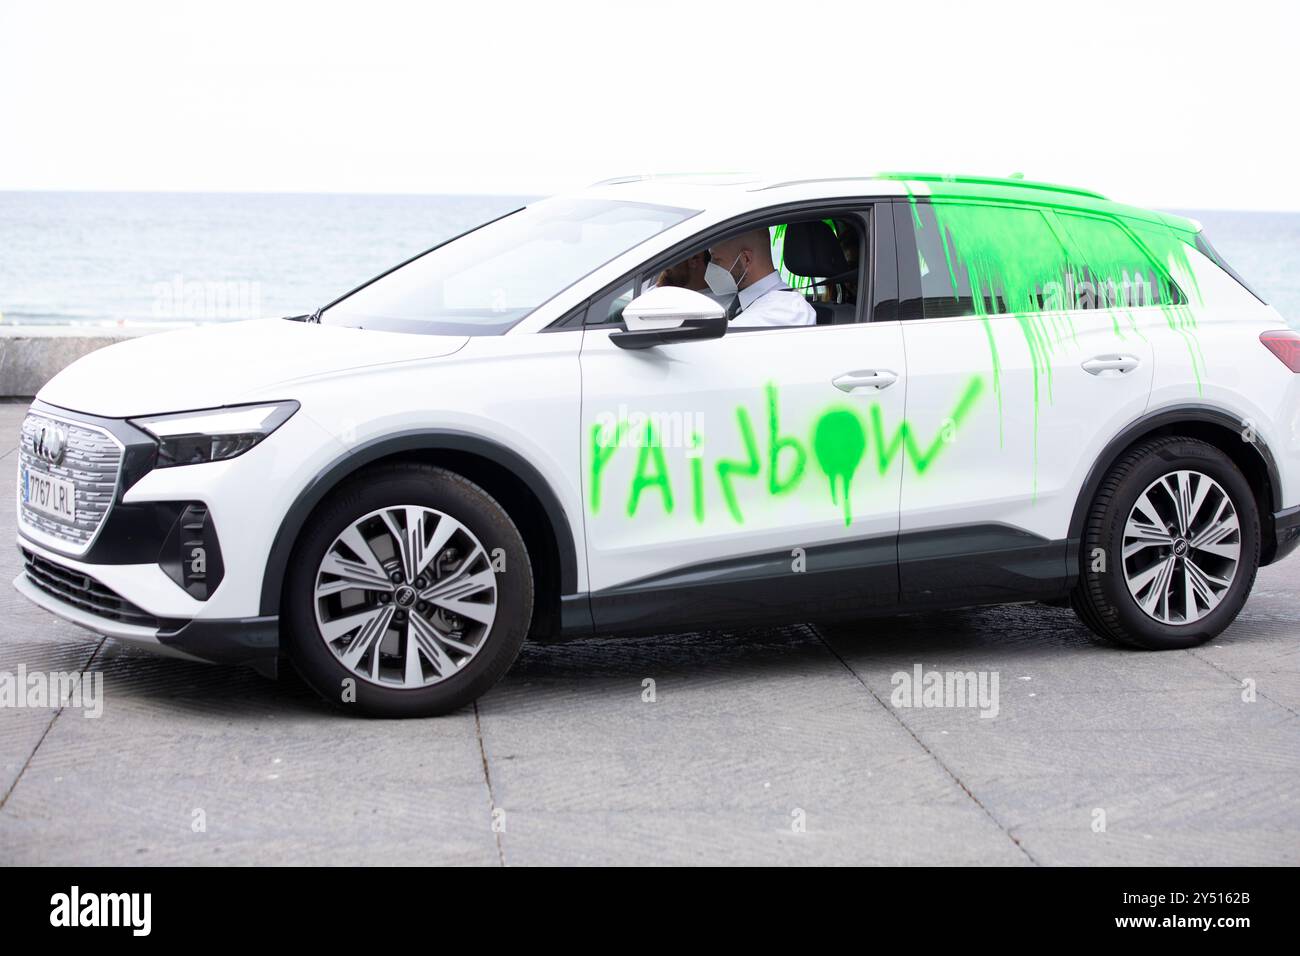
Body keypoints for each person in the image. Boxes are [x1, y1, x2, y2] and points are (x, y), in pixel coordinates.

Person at [706, 228, 816, 327]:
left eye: (716, 259)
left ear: (746, 259)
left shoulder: (787, 309)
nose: (711, 265)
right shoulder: (743, 301)